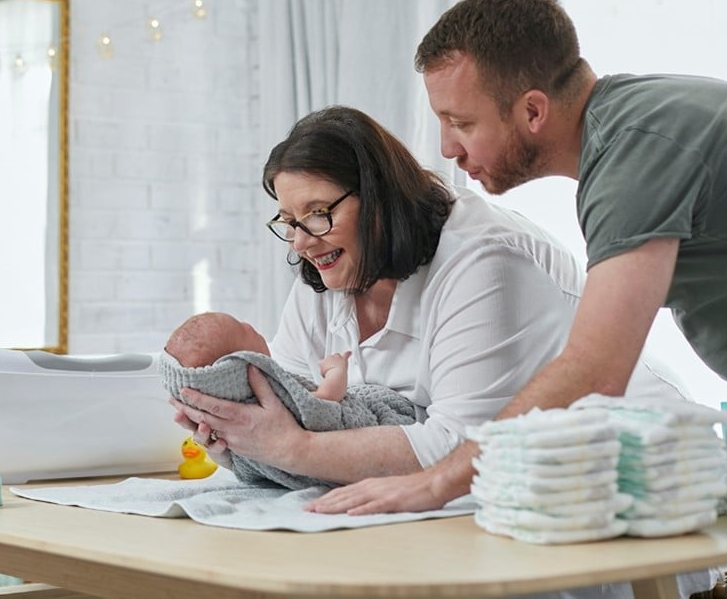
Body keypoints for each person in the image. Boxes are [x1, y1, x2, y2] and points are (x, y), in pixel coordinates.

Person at [308, 0, 727, 518]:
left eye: (461, 122)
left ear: (533, 109)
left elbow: (596, 369)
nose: (447, 149)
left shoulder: (636, 156)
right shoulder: (636, 123)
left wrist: (436, 481)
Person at [168, 104, 686, 493]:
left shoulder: (484, 261)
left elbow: (459, 446)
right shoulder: (327, 270)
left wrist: (291, 448)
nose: (302, 240)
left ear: (379, 197)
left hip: (619, 478)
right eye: (289, 222)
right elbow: (291, 405)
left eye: (319, 212)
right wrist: (238, 440)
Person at [165, 311, 351, 402]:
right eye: (241, 329)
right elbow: (325, 398)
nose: (247, 324)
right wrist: (336, 370)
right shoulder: (275, 398)